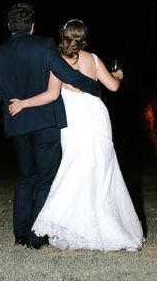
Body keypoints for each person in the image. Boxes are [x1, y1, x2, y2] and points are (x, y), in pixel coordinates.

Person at [8, 19, 144, 252]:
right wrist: (118, 75)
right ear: (84, 36)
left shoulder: (58, 61)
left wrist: (23, 103)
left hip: (74, 121)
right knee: (101, 169)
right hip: (97, 117)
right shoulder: (93, 59)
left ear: (64, 35)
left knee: (76, 167)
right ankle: (95, 225)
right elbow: (113, 87)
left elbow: (51, 95)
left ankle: (72, 224)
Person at [0, 3, 101, 250]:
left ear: (9, 26)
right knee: (46, 178)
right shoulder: (43, 45)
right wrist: (96, 87)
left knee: (26, 177)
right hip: (46, 122)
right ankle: (36, 235)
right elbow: (67, 75)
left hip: (18, 122)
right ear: (32, 27)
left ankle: (20, 234)